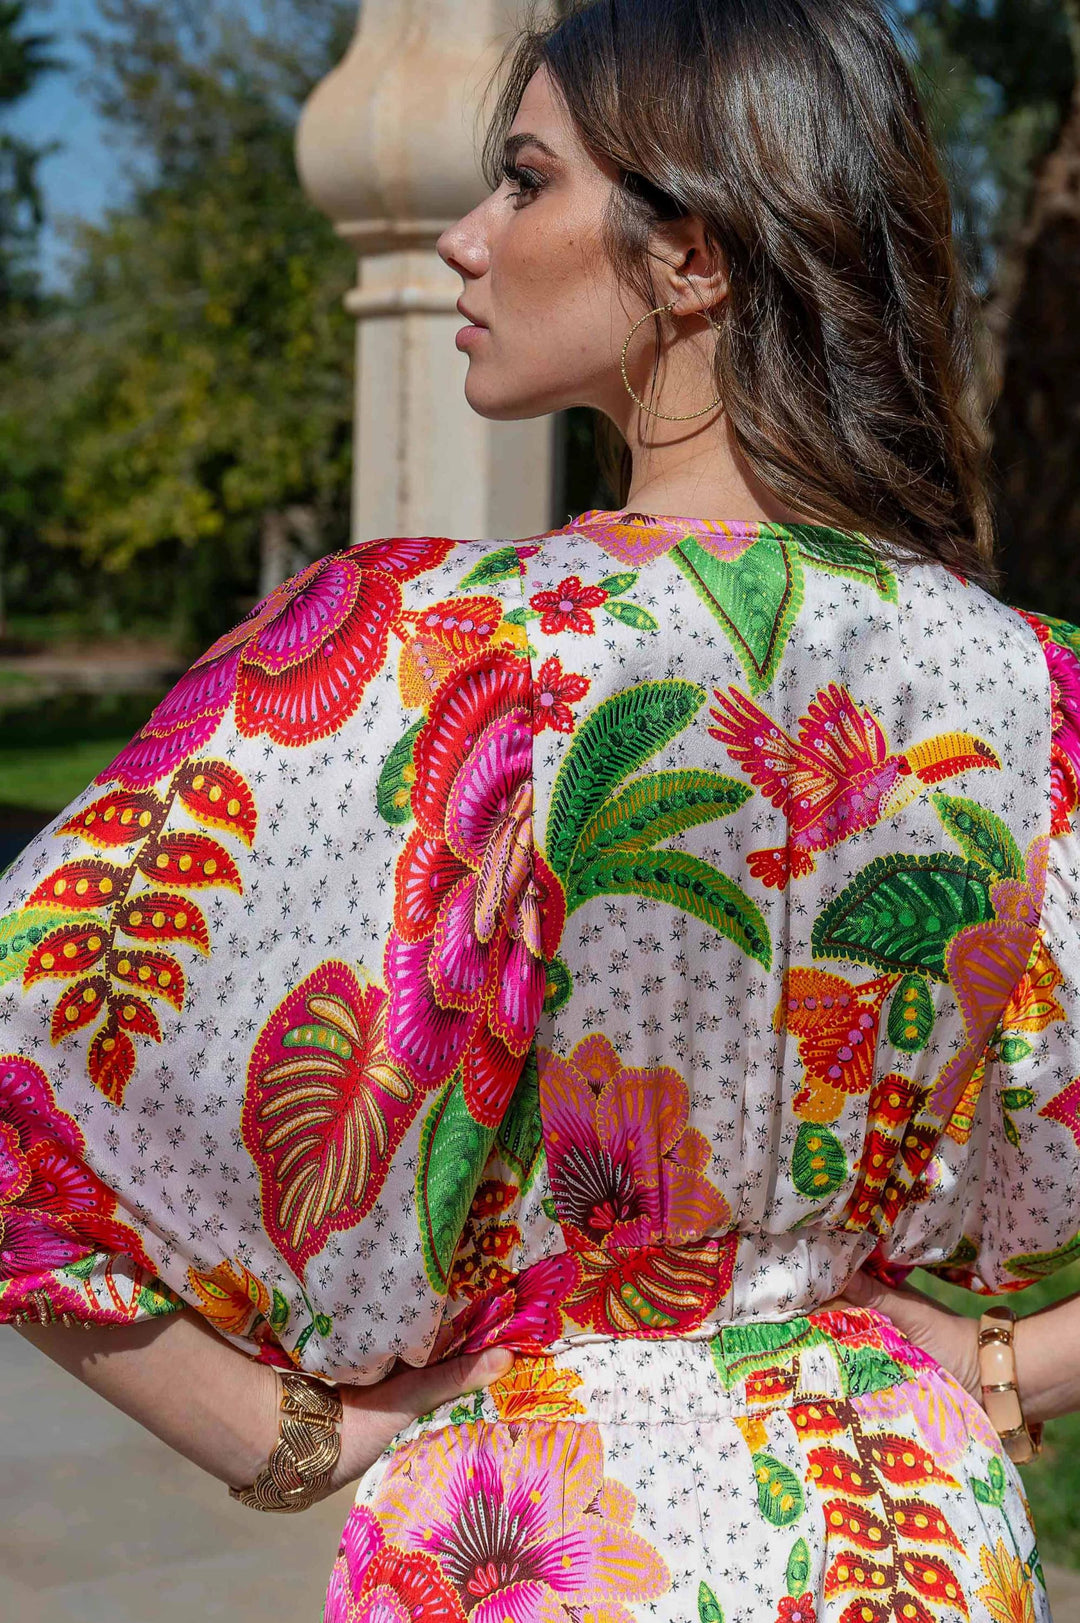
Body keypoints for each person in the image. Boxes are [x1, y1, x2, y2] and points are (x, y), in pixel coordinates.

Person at [4, 0, 1079, 1616]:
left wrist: (281, 1434)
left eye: (524, 181)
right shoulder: (1030, 691)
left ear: (692, 254)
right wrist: (1011, 1366)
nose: (466, 237)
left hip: (546, 1537)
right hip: (907, 1529)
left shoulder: (435, 652)